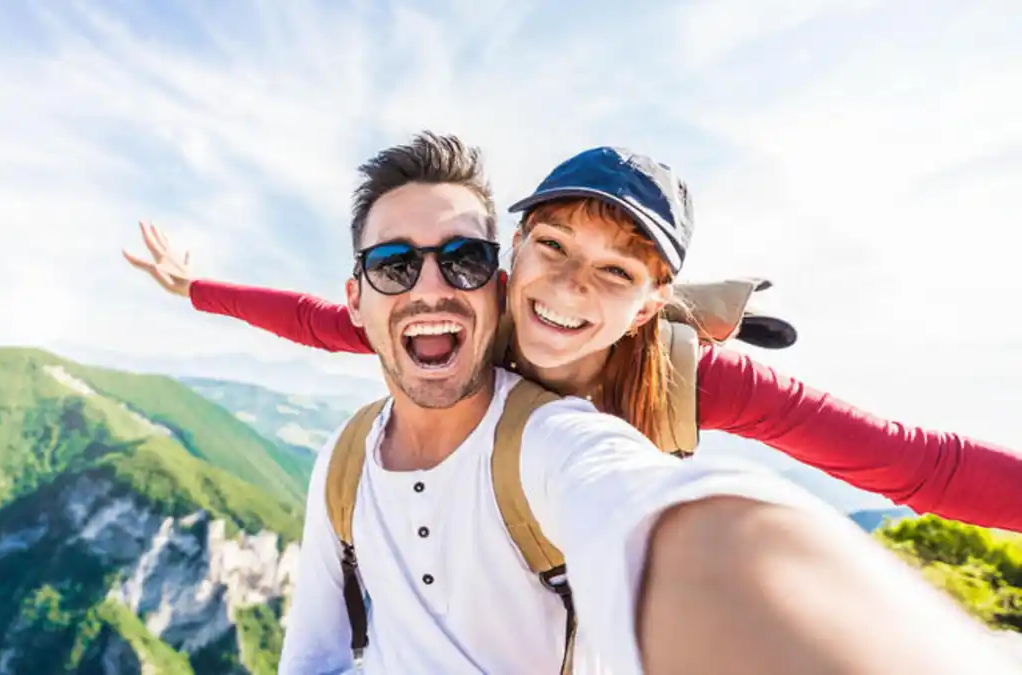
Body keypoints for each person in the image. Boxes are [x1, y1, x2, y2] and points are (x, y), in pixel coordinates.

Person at [132, 132, 1016, 673]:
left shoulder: (687, 376)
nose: (565, 289)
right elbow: (326, 319)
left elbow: (916, 463)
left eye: (616, 272)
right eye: (552, 246)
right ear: (516, 247)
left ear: (650, 302)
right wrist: (193, 288)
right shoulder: (474, 307)